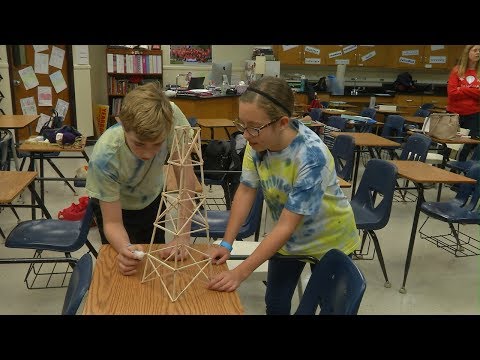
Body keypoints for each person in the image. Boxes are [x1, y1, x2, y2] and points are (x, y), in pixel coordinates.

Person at [207, 76, 360, 315]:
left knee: (329, 307)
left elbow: (286, 225)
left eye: (254, 127)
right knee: (276, 304)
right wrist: (227, 243)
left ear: (282, 123)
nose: (246, 134)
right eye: (242, 125)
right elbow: (246, 190)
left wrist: (241, 271)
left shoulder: (311, 157)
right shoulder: (257, 141)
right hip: (288, 240)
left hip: (330, 240)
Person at [86, 83, 195, 276]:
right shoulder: (105, 156)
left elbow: (186, 180)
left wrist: (183, 235)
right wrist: (125, 249)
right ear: (123, 125)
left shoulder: (171, 118)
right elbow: (112, 223)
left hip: (152, 198)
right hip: (116, 207)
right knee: (125, 267)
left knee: (154, 268)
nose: (148, 153)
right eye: (139, 144)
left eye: (157, 144)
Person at [447, 45, 480, 161]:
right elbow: (452, 93)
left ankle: (456, 168)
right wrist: (474, 91)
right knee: (449, 144)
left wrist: (463, 89)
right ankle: (444, 166)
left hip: (473, 115)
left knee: (467, 145)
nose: (478, 53)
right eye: (475, 50)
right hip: (454, 113)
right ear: (468, 52)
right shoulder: (457, 70)